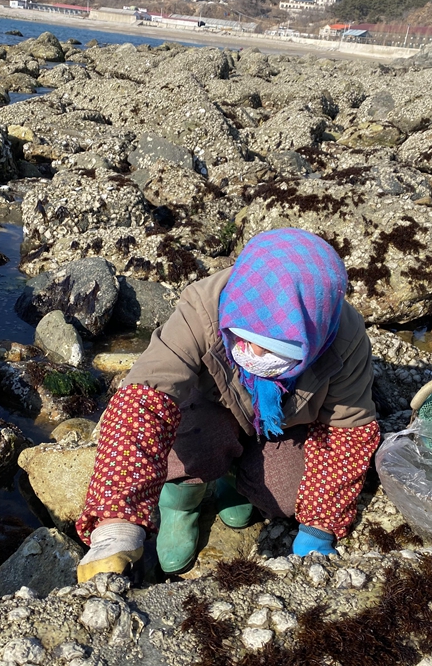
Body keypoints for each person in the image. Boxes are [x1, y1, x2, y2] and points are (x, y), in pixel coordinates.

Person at [75, 228, 380, 583]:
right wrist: (115, 524)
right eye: (245, 339)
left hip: (286, 424)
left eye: (275, 348)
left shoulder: (344, 337)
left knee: (286, 496)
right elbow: (144, 400)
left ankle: (236, 482)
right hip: (211, 409)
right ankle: (180, 502)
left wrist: (318, 531)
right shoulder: (204, 305)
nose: (255, 355)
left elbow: (346, 432)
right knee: (193, 443)